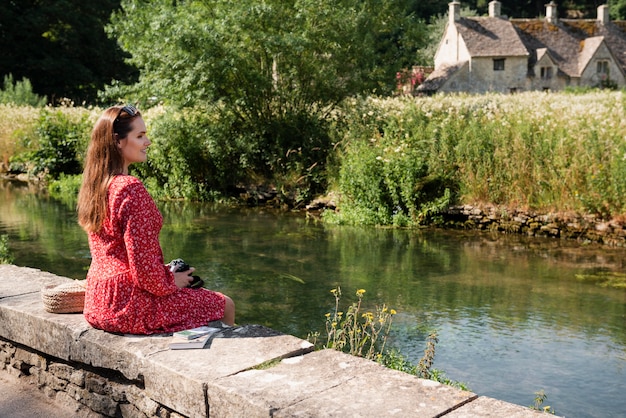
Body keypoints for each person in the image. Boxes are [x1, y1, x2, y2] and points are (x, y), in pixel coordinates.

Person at [77, 105, 235, 334]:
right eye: (140, 136)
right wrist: (174, 281)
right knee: (224, 304)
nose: (147, 142)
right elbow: (145, 274)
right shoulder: (130, 188)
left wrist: (165, 272)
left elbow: (119, 256)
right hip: (129, 307)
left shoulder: (96, 186)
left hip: (97, 302)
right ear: (118, 141)